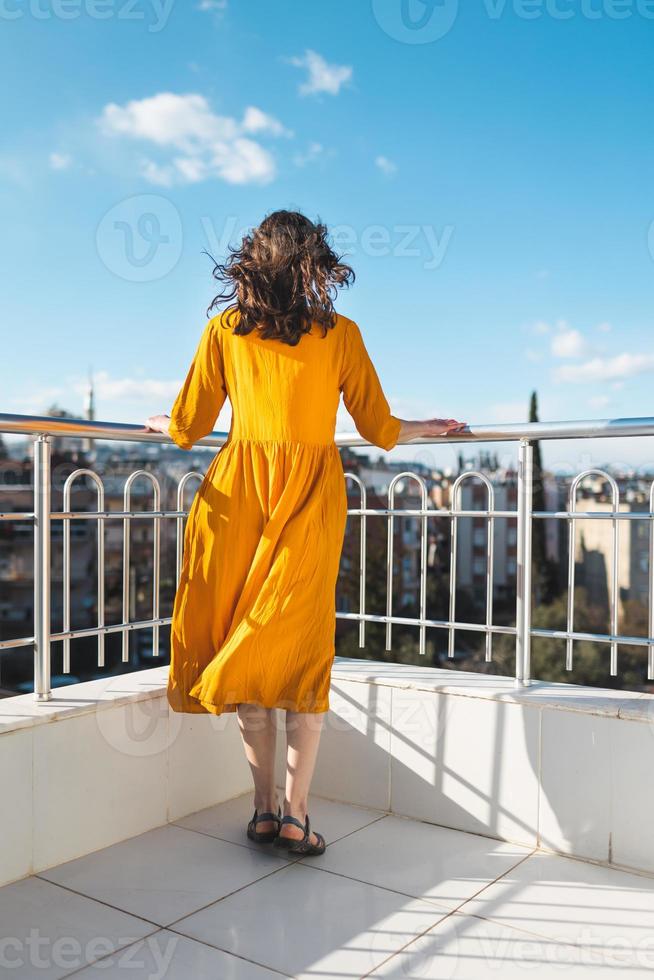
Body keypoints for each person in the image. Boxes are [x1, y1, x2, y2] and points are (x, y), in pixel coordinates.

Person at [145, 209, 466, 856]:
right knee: (300, 653)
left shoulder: (223, 331)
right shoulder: (340, 334)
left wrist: (160, 422)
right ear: (313, 265)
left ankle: (264, 810)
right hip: (311, 499)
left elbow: (187, 425)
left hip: (235, 498)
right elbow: (378, 427)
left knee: (252, 649)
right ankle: (293, 814)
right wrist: (425, 429)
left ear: (253, 261)